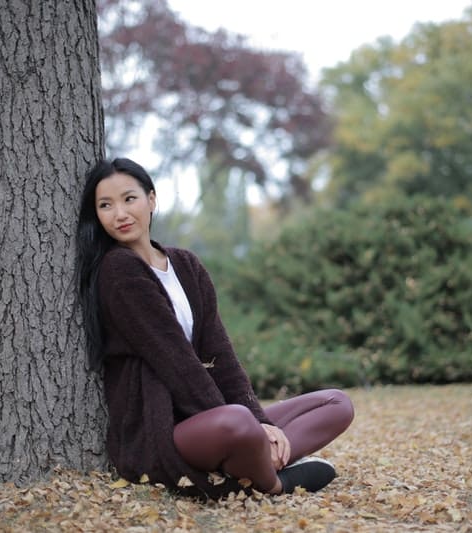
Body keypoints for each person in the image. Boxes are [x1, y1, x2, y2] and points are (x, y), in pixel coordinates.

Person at [75, 157, 354, 499]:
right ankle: (273, 483)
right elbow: (175, 360)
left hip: (212, 415)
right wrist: (246, 422)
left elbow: (219, 354)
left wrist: (262, 423)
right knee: (236, 422)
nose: (119, 213)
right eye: (105, 205)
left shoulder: (187, 265)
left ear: (151, 199)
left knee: (336, 403)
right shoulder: (119, 270)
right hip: (162, 426)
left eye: (129, 199)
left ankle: (253, 460)